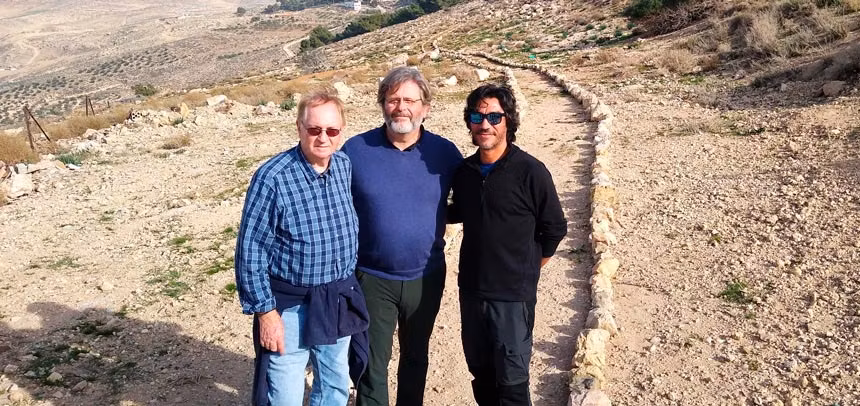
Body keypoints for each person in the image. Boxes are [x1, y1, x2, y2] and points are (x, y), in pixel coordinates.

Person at [234, 91, 369, 406]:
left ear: (341, 131)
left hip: (336, 299)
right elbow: (250, 251)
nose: (323, 138)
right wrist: (266, 313)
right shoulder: (273, 178)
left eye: (332, 130)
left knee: (334, 384)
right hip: (290, 307)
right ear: (299, 128)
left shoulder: (343, 166)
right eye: (314, 129)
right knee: (285, 394)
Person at [341, 66, 463, 406]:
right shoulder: (355, 150)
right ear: (382, 105)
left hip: (426, 276)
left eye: (411, 99)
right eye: (393, 99)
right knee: (370, 364)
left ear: (425, 107)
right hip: (372, 277)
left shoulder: (445, 153)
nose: (402, 107)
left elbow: (470, 199)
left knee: (416, 357)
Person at [449, 84, 568, 406]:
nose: (485, 124)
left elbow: (555, 228)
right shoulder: (465, 172)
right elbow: (458, 211)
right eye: (477, 116)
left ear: (508, 121)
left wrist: (528, 268)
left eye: (494, 117)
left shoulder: (530, 171)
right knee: (481, 374)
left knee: (512, 381)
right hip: (472, 291)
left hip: (513, 296)